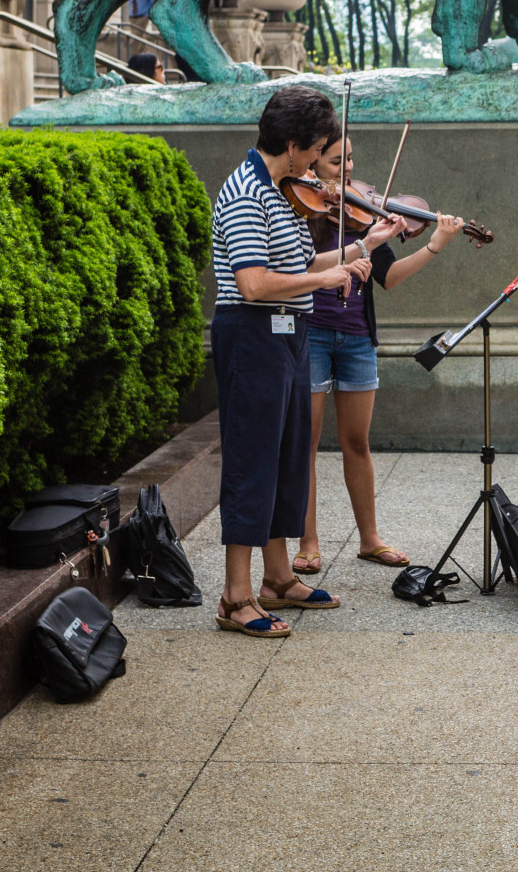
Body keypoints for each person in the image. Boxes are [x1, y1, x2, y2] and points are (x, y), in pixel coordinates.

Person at [209, 85, 384, 637]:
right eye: (315, 151)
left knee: (286, 457)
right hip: (252, 333)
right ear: (292, 144)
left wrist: (361, 249)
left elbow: (303, 260)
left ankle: (278, 577)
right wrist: (323, 279)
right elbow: (254, 283)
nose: (318, 165)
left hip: (287, 333)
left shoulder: (278, 189)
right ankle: (236, 597)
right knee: (251, 462)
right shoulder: (245, 193)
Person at [292, 134, 466, 574]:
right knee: (305, 445)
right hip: (310, 332)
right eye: (336, 161)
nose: (348, 170)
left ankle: (369, 539)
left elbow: (387, 277)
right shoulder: (299, 207)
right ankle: (308, 541)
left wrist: (434, 245)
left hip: (356, 338)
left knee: (357, 442)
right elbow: (299, 265)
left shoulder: (363, 213)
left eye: (350, 159)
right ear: (313, 161)